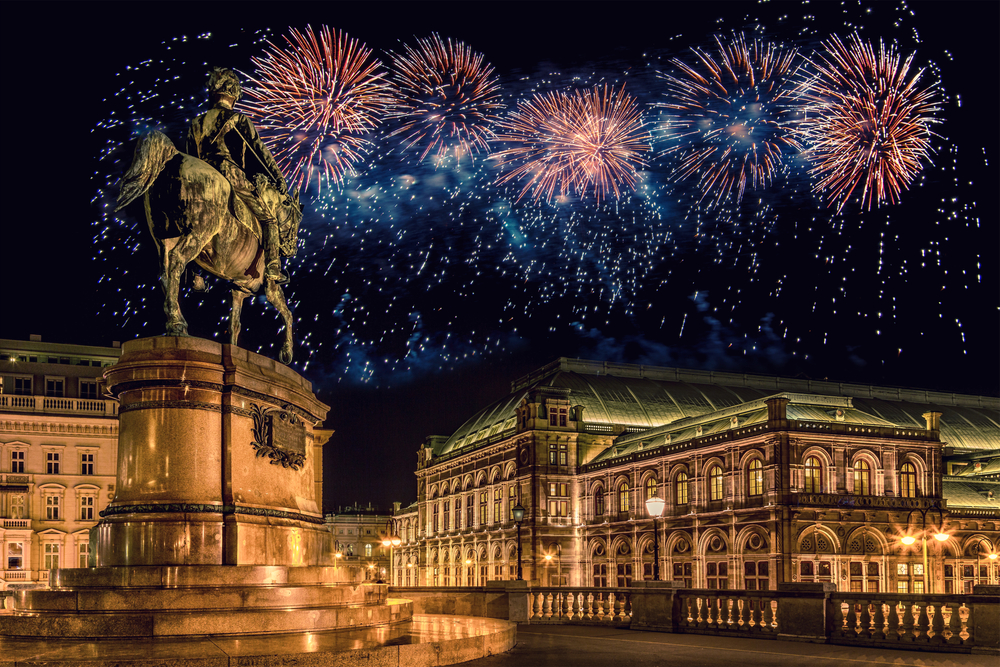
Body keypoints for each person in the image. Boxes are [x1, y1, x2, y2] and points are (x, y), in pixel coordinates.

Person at [186, 67, 290, 284]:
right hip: (228, 173)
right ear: (232, 93)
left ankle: (194, 273)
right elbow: (260, 151)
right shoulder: (238, 118)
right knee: (269, 220)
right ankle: (272, 267)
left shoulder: (195, 123)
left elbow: (188, 158)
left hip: (198, 177)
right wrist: (279, 177)